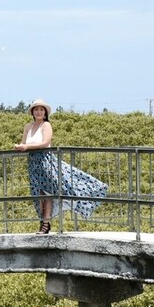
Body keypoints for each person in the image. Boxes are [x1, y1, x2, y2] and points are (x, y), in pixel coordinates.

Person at [13, 98, 108, 234]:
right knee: (38, 193)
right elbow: (23, 142)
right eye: (36, 109)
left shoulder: (46, 125)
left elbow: (45, 143)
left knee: (48, 191)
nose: (38, 112)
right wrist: (19, 147)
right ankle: (43, 221)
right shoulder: (28, 126)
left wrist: (27, 146)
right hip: (33, 162)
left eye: (41, 109)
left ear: (45, 112)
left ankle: (45, 223)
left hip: (45, 160)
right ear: (32, 112)